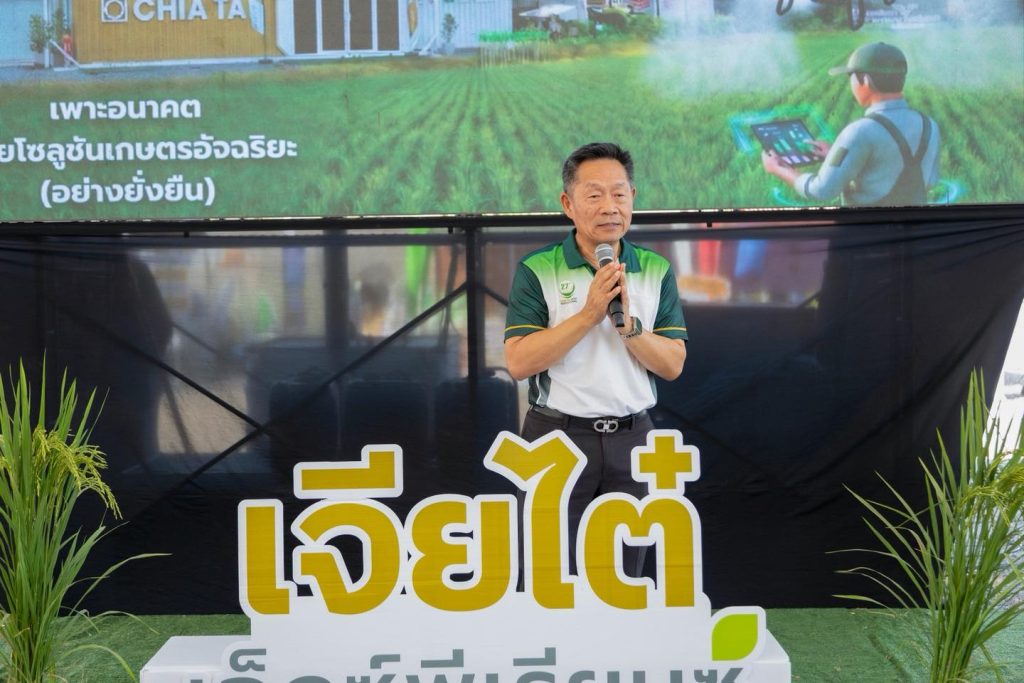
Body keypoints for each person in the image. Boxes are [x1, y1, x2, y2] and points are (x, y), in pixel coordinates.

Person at [504, 141, 688, 577]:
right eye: (594, 195)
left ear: (632, 198)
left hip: (634, 438)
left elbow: (672, 364)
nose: (609, 206)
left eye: (619, 194)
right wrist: (589, 314)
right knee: (549, 572)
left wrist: (629, 328)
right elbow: (519, 362)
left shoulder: (656, 269)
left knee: (627, 575)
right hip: (556, 438)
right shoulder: (537, 268)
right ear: (568, 204)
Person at [762, 42, 941, 207]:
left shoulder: (860, 131)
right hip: (914, 224)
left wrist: (780, 169)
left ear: (866, 80)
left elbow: (822, 190)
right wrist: (836, 155)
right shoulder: (930, 125)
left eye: (851, 76)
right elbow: (929, 180)